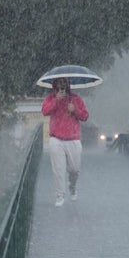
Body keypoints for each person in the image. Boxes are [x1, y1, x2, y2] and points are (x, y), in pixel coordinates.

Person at [41, 77, 89, 206]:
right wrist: (57, 100)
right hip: (56, 139)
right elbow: (45, 111)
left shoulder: (76, 99)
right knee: (58, 169)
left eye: (64, 84)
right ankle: (59, 195)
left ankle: (72, 186)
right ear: (54, 86)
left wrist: (75, 110)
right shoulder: (51, 98)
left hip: (73, 138)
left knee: (75, 169)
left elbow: (85, 116)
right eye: (59, 85)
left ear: (68, 85)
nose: (61, 87)